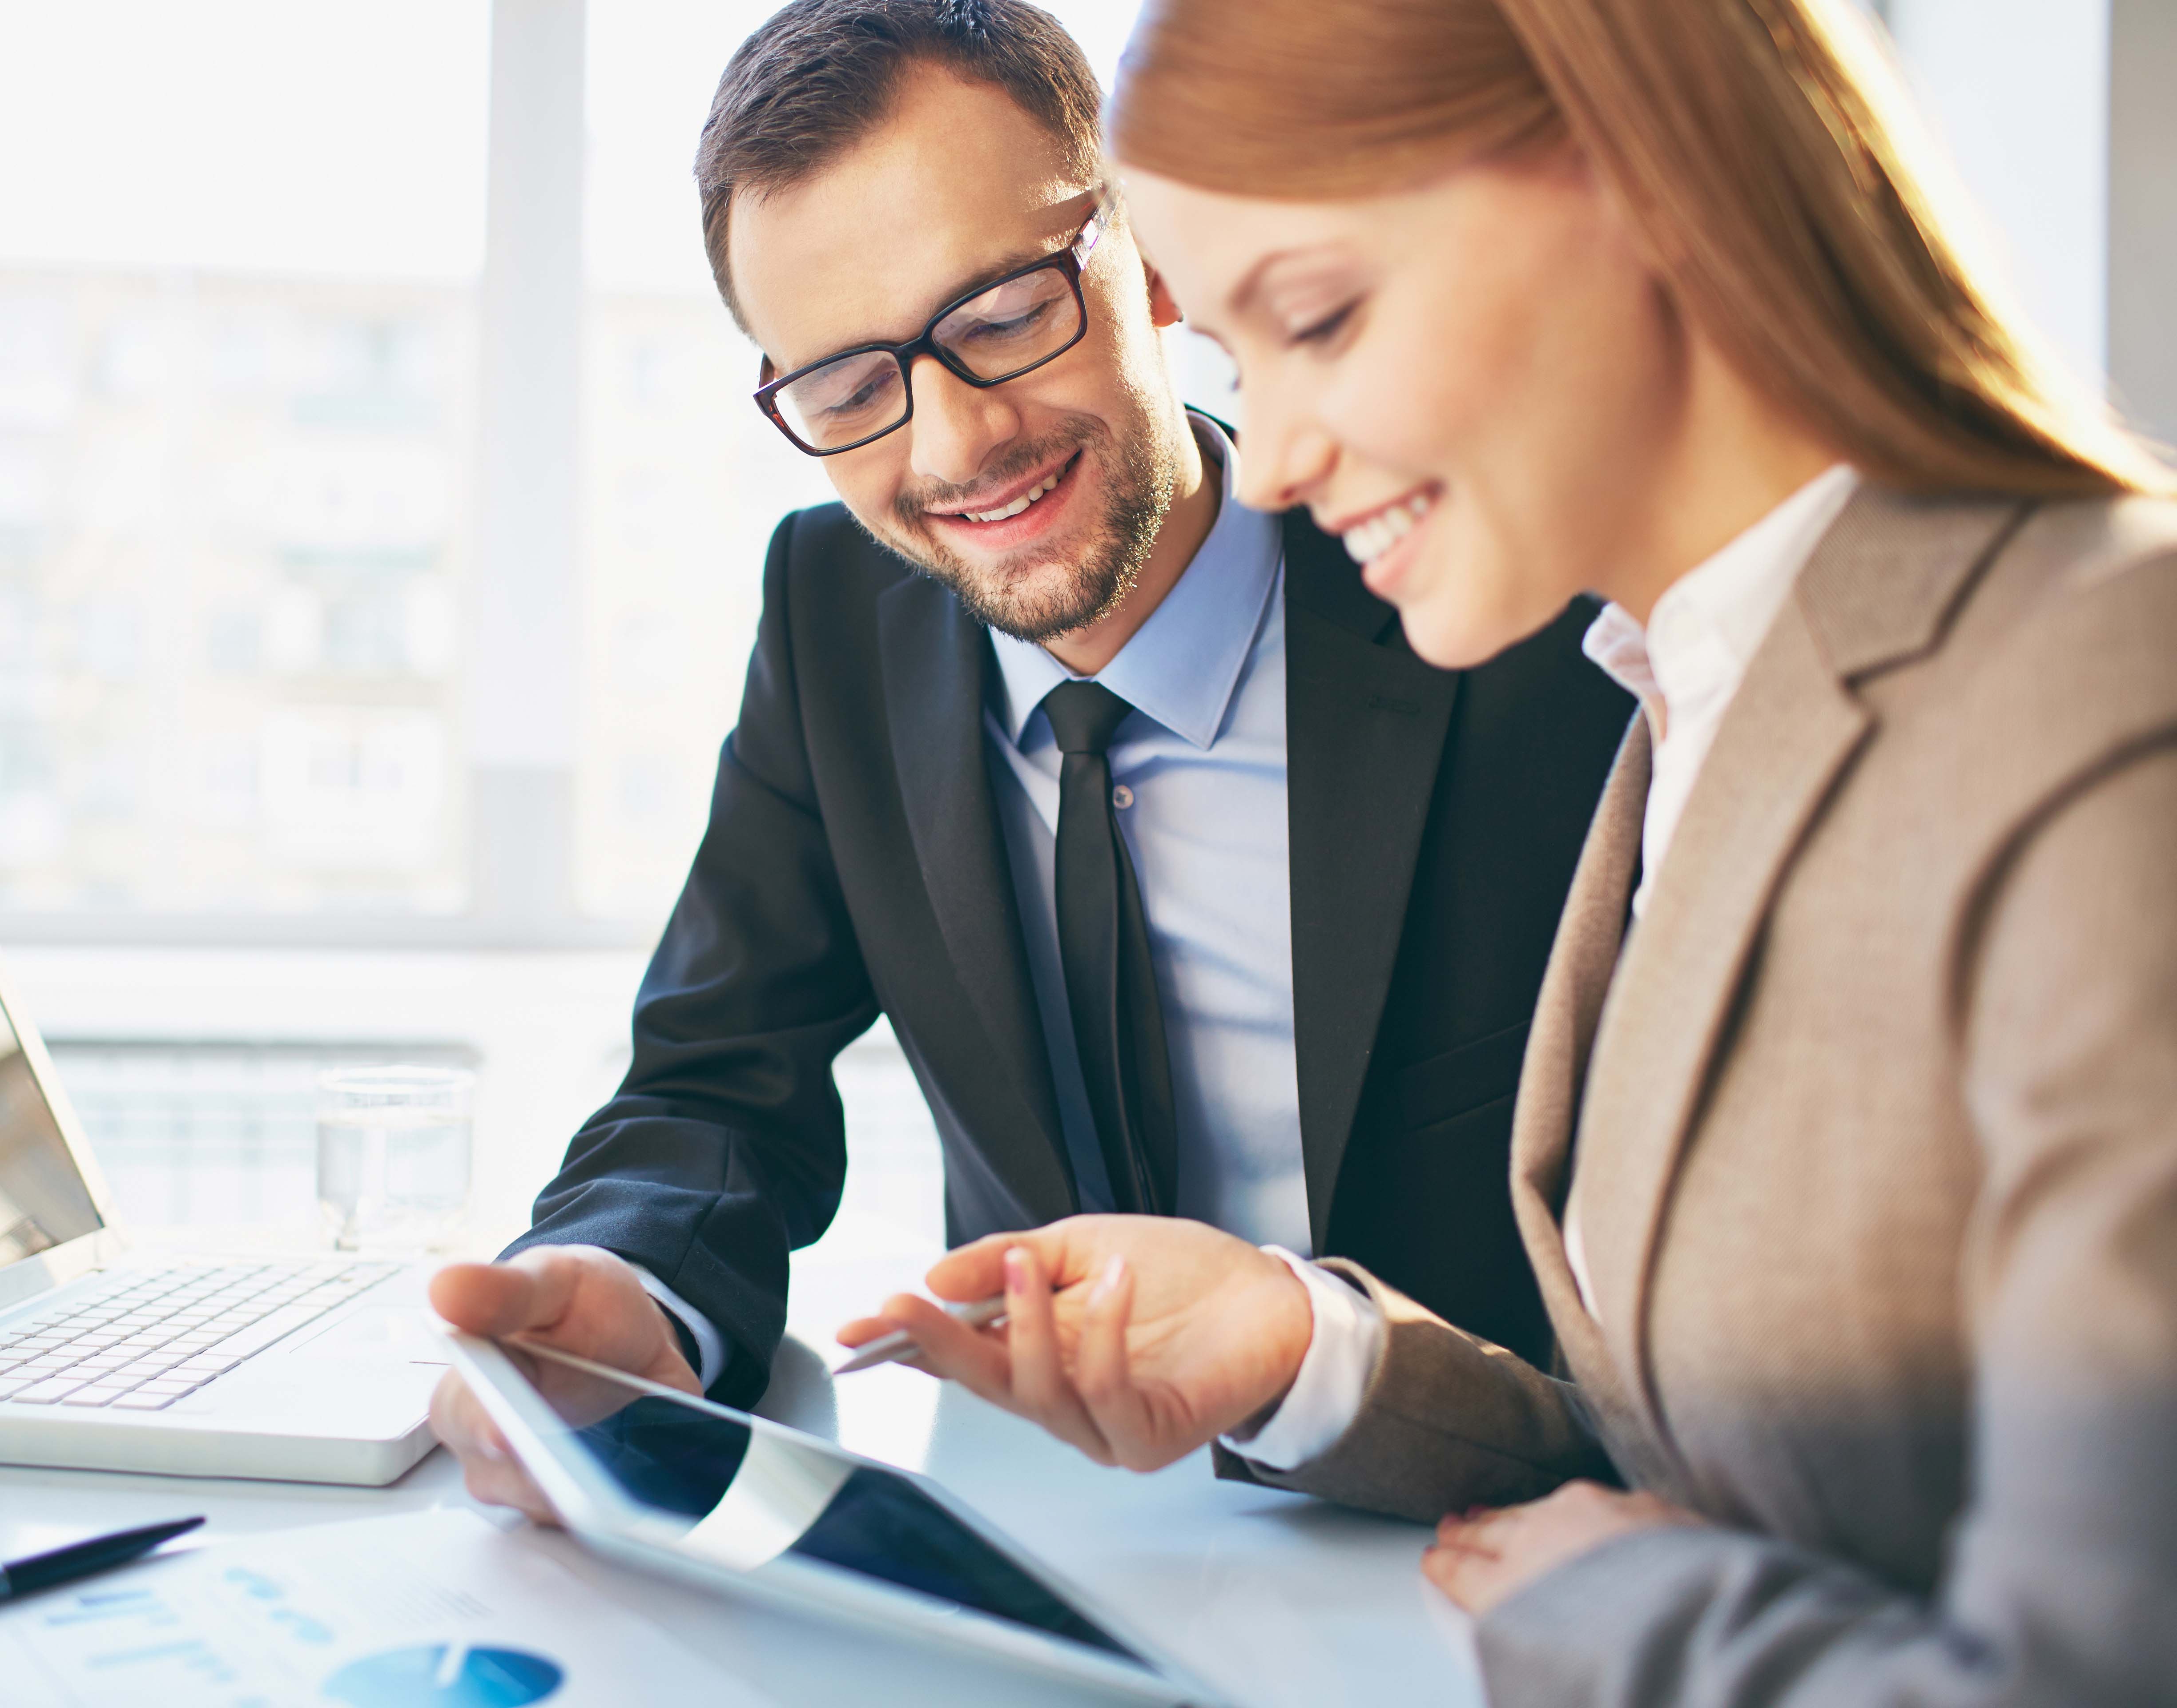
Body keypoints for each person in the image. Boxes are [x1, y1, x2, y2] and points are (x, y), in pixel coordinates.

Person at [845, 0, 2177, 1700]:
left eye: (1319, 317)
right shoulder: (1680, 702)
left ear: (1642, 177)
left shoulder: (2105, 679)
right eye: (1250, 368)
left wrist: (1629, 1621)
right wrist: (1306, 1348)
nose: (1276, 467)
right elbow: (1722, 1465)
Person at [423, 0, 1632, 1516]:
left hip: (1487, 1529)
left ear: (1152, 253)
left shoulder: (1515, 605)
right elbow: (719, 1084)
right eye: (851, 390)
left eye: (1000, 316)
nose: (950, 450)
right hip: (1048, 1535)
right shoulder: (834, 611)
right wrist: (627, 1293)